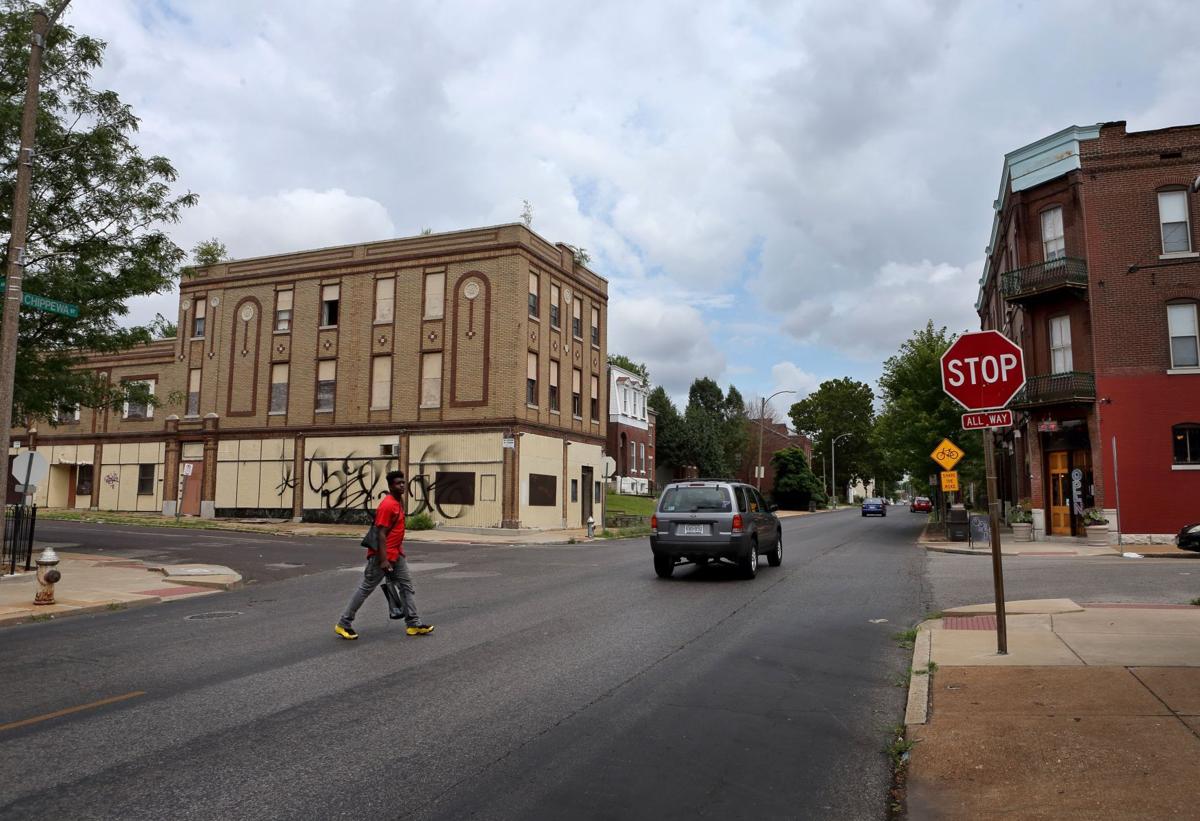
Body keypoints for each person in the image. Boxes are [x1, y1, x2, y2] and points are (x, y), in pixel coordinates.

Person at [335, 469, 434, 639]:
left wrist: (396, 555)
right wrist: (383, 560)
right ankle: (344, 623)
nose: (402, 485)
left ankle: (413, 624)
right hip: (382, 556)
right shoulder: (388, 505)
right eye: (398, 483)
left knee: (406, 587)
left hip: (396, 555)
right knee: (366, 587)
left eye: (403, 482)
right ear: (390, 486)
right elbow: (381, 533)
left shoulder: (398, 501)